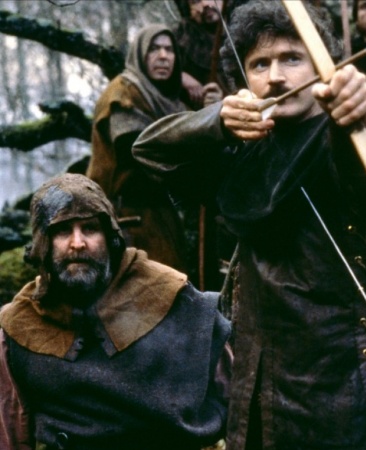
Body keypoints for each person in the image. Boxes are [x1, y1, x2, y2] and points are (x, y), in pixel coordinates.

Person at [133, 3, 366, 449]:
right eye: (260, 64)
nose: (276, 77)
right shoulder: (244, 144)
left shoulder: (361, 130)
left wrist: (355, 119)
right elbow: (146, 151)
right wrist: (215, 120)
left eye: (292, 58)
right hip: (262, 381)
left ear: (322, 65)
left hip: (351, 380)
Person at [0, 173, 233, 450]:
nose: (78, 243)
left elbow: (238, 398)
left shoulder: (170, 295)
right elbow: (10, 430)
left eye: (90, 228)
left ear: (109, 236)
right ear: (43, 243)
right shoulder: (21, 322)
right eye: (63, 231)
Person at [86, 25, 193, 273]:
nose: (163, 56)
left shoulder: (165, 98)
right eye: (154, 49)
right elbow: (135, 150)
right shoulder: (123, 92)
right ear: (139, 54)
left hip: (159, 213)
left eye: (169, 49)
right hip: (124, 215)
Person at [174, 0, 228, 108]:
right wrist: (180, 77)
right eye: (195, 2)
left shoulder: (244, 24)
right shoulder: (182, 36)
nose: (205, 4)